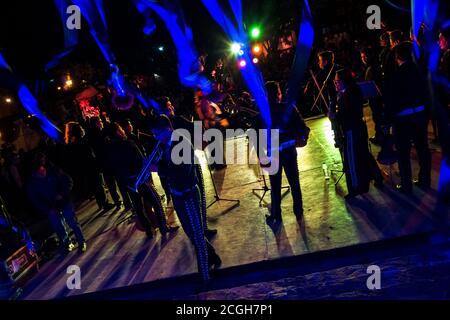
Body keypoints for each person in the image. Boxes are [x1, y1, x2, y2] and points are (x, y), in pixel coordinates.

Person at [150, 115, 221, 283]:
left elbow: (182, 173)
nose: (155, 137)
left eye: (156, 133)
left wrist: (159, 167)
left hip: (188, 193)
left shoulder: (182, 142)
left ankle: (204, 277)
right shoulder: (166, 144)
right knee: (191, 233)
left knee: (196, 235)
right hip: (178, 194)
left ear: (167, 129)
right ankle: (213, 257)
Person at [157, 96, 217, 238]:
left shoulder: (175, 121)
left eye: (171, 105)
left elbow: (195, 129)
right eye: (168, 106)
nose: (171, 108)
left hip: (186, 166)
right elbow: (196, 129)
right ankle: (200, 231)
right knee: (196, 198)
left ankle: (201, 230)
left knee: (197, 199)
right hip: (183, 169)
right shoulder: (171, 123)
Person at [107, 123, 175, 238]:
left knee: (138, 208)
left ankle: (149, 232)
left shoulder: (110, 149)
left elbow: (113, 169)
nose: (123, 130)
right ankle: (164, 228)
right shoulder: (128, 143)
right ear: (118, 132)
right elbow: (141, 161)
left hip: (127, 182)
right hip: (140, 179)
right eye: (121, 128)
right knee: (157, 202)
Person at [385, 42, 431, 193]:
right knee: (422, 148)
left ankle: (406, 185)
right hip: (419, 114)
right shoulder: (420, 71)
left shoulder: (395, 75)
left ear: (397, 57)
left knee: (403, 152)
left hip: (403, 118)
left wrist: (389, 119)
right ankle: (425, 180)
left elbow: (391, 100)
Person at [262, 81, 309, 222]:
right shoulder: (288, 109)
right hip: (289, 150)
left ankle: (276, 216)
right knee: (294, 182)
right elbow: (303, 127)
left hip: (273, 154)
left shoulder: (263, 113)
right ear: (279, 94)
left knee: (275, 187)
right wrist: (300, 139)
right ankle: (298, 211)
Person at [334, 68, 384, 199]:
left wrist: (334, 116)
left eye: (337, 81)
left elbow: (345, 115)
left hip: (352, 130)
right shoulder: (353, 91)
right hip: (359, 128)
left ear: (344, 81)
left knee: (352, 159)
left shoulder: (347, 95)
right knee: (363, 153)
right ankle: (377, 176)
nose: (336, 84)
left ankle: (356, 187)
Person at [27, 153, 86, 253]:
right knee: (58, 227)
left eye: (43, 170)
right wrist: (47, 208)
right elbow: (35, 199)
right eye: (39, 172)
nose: (42, 173)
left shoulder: (54, 171)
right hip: (51, 207)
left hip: (63, 202)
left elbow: (68, 181)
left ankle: (81, 241)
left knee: (72, 222)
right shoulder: (33, 182)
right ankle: (67, 243)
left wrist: (62, 194)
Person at [64, 121, 114, 211]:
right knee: (99, 185)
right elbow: (88, 154)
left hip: (84, 168)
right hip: (91, 165)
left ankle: (101, 204)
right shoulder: (81, 140)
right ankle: (105, 204)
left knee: (95, 186)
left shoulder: (71, 141)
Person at [360, 47, 385, 145]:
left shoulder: (373, 67)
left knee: (378, 117)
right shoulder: (370, 67)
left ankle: (380, 136)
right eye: (362, 57)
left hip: (376, 97)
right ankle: (379, 134)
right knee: (376, 116)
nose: (363, 58)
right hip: (373, 97)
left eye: (365, 56)